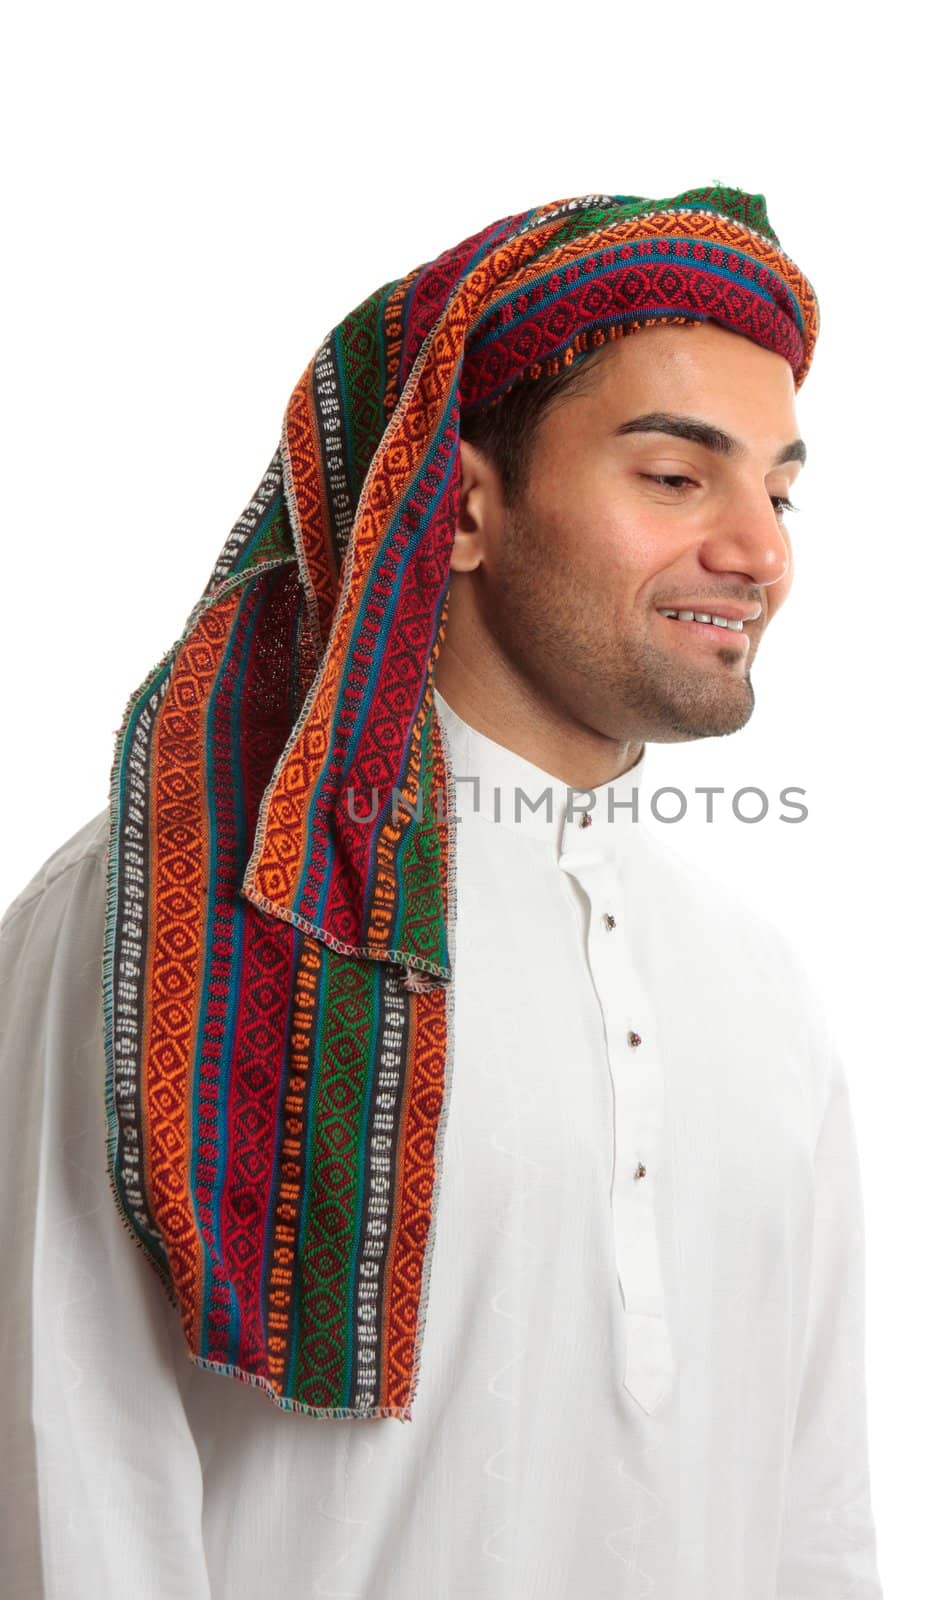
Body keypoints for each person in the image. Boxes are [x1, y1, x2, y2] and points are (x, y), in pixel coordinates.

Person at [0, 185, 882, 1598]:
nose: (759, 550)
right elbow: (69, 1488)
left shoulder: (755, 982)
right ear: (460, 506)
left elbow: (812, 1522)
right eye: (676, 476)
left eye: (777, 489)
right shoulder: (165, 914)